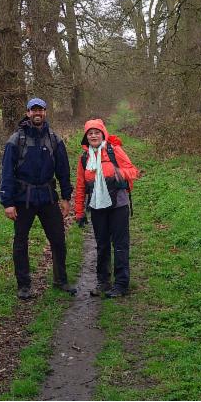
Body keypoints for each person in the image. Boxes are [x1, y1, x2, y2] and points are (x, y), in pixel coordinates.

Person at [0, 98, 76, 300]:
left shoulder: (54, 140)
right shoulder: (16, 140)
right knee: (20, 242)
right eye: (33, 110)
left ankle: (61, 280)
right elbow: (6, 173)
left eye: (40, 110)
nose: (37, 113)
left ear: (45, 112)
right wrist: (7, 203)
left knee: (58, 239)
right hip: (23, 198)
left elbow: (63, 170)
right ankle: (24, 285)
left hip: (48, 197)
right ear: (27, 113)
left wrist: (66, 197)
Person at [74, 118, 140, 298]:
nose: (94, 135)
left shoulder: (114, 150)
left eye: (97, 132)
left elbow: (133, 171)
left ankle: (121, 284)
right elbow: (80, 186)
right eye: (90, 133)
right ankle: (103, 282)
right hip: (97, 206)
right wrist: (79, 212)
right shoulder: (84, 158)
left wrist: (120, 174)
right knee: (102, 245)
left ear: (103, 134)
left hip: (118, 204)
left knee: (120, 244)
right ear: (86, 137)